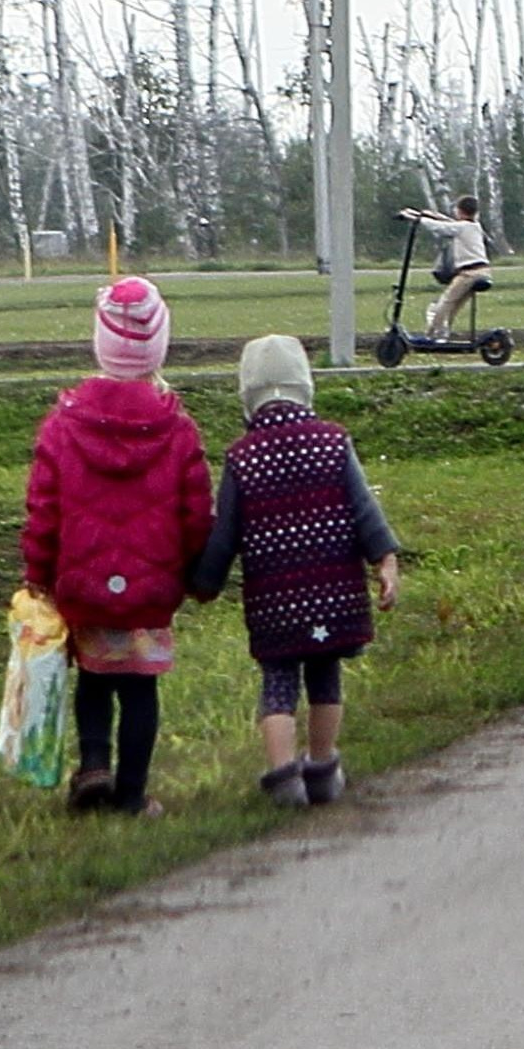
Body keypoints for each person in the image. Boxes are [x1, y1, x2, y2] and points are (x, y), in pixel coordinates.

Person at [20, 278, 213, 817]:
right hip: (153, 586)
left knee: (94, 676)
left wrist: (38, 573)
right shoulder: (177, 428)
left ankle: (94, 764)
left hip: (82, 581)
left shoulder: (63, 425)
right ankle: (131, 793)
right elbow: (196, 511)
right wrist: (198, 572)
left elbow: (44, 507)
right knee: (139, 689)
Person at [191, 335, 404, 808]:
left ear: (246, 395)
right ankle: (323, 768)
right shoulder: (333, 442)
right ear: (306, 386)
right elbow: (363, 507)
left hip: (275, 599)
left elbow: (224, 532)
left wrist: (204, 583)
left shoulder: (243, 458)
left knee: (279, 681)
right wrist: (385, 560)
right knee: (325, 677)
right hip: (334, 591)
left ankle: (283, 774)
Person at [402, 195, 491, 340]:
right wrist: (429, 214)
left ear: (459, 211)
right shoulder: (474, 226)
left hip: (469, 273)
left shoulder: (462, 227)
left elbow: (441, 227)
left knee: (444, 302)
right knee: (454, 306)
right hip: (483, 272)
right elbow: (448, 222)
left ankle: (434, 334)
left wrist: (417, 219)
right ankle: (443, 331)